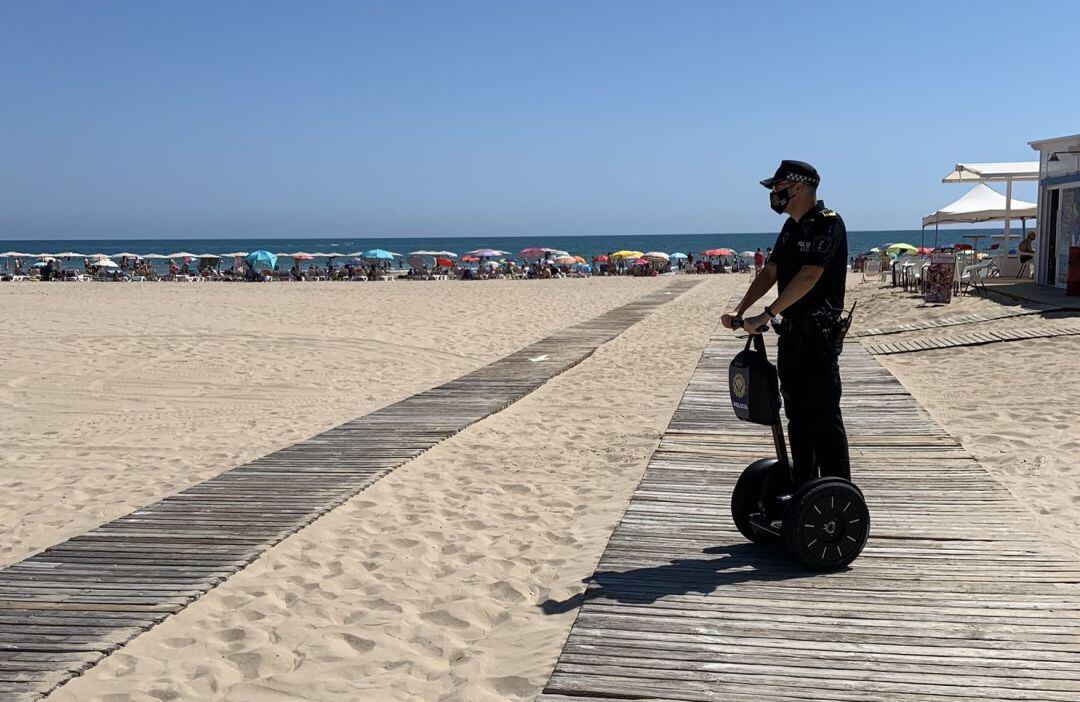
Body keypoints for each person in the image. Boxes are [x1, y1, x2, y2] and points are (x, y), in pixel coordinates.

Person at [722, 159, 850, 486]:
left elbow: (810, 275)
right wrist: (740, 310)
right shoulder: (791, 228)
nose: (775, 194)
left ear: (800, 187)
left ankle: (837, 496)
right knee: (796, 418)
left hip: (819, 338)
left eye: (780, 188)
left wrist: (767, 313)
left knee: (824, 419)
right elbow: (771, 271)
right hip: (791, 337)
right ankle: (803, 489)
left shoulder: (828, 224)